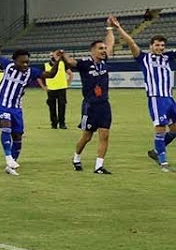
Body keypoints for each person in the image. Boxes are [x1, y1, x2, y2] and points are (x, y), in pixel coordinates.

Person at [0, 37, 62, 176]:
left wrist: (58, 61)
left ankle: (11, 165)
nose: (25, 64)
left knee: (18, 136)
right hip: (2, 104)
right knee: (6, 128)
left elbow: (51, 74)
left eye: (27, 62)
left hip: (17, 108)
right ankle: (8, 158)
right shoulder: (7, 65)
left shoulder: (32, 72)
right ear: (15, 61)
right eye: (22, 62)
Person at [110, 19, 176, 171]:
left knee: (174, 130)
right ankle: (163, 163)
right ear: (151, 46)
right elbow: (131, 42)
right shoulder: (144, 58)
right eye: (157, 45)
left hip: (170, 99)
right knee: (160, 129)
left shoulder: (168, 58)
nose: (160, 48)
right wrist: (119, 27)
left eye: (162, 45)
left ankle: (155, 151)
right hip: (156, 99)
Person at [63, 20, 116, 174]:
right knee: (87, 137)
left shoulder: (104, 62)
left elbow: (111, 43)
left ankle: (99, 166)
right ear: (92, 51)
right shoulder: (85, 64)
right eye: (101, 49)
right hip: (90, 105)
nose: (104, 50)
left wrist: (110, 28)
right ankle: (76, 158)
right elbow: (71, 62)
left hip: (104, 104)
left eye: (104, 49)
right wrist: (63, 55)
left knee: (105, 135)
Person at [40, 55, 70, 129]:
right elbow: (39, 77)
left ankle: (62, 123)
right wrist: (43, 86)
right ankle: (54, 124)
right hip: (51, 89)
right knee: (52, 107)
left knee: (62, 106)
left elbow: (70, 74)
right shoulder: (45, 65)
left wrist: (67, 84)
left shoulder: (62, 64)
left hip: (61, 89)